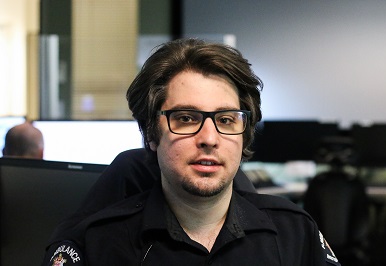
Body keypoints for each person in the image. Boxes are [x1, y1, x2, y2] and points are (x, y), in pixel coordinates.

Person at [42, 39, 340, 265]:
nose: (209, 138)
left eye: (225, 120)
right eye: (186, 118)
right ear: (151, 133)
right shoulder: (98, 244)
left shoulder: (294, 231)